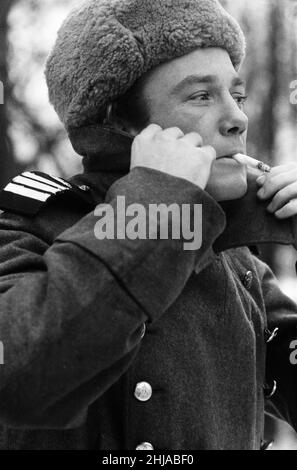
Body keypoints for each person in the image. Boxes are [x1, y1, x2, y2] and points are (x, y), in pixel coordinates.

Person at [0, 0, 296, 451]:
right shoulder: (28, 226)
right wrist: (156, 204)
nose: (239, 118)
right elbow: (17, 375)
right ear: (118, 119)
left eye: (237, 95)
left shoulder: (232, 257)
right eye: (201, 95)